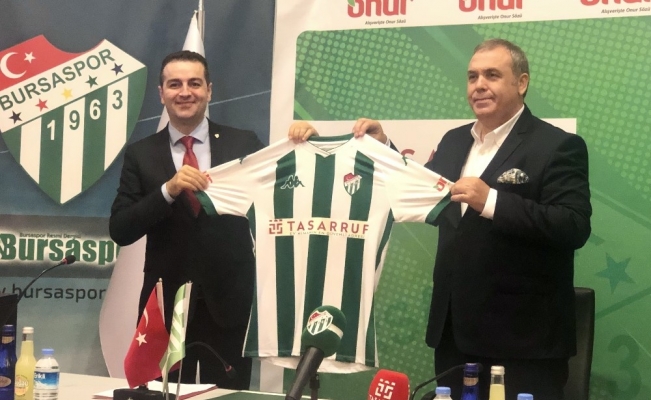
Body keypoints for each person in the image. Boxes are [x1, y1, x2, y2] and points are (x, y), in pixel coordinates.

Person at [346, 39, 592, 400]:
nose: (479, 85)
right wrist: (383, 148)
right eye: (472, 76)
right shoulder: (454, 140)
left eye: (492, 75)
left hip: (523, 341)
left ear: (522, 83)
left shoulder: (556, 145)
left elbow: (573, 225)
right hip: (454, 335)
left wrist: (491, 201)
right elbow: (422, 193)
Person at [109, 50, 315, 389]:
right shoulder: (141, 154)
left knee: (228, 397)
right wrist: (167, 190)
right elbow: (121, 228)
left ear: (209, 90)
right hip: (164, 309)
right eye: (174, 84)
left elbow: (291, 191)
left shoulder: (243, 143)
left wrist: (307, 147)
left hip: (229, 305)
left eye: (194, 83)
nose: (185, 92)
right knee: (161, 396)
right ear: (161, 93)